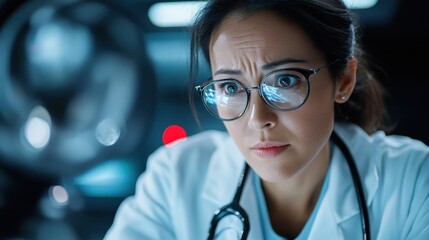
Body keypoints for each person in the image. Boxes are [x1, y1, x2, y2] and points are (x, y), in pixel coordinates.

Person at [104, 0, 429, 239]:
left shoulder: (413, 182)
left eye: (285, 81)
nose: (258, 119)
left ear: (343, 80)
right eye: (230, 87)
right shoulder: (174, 179)